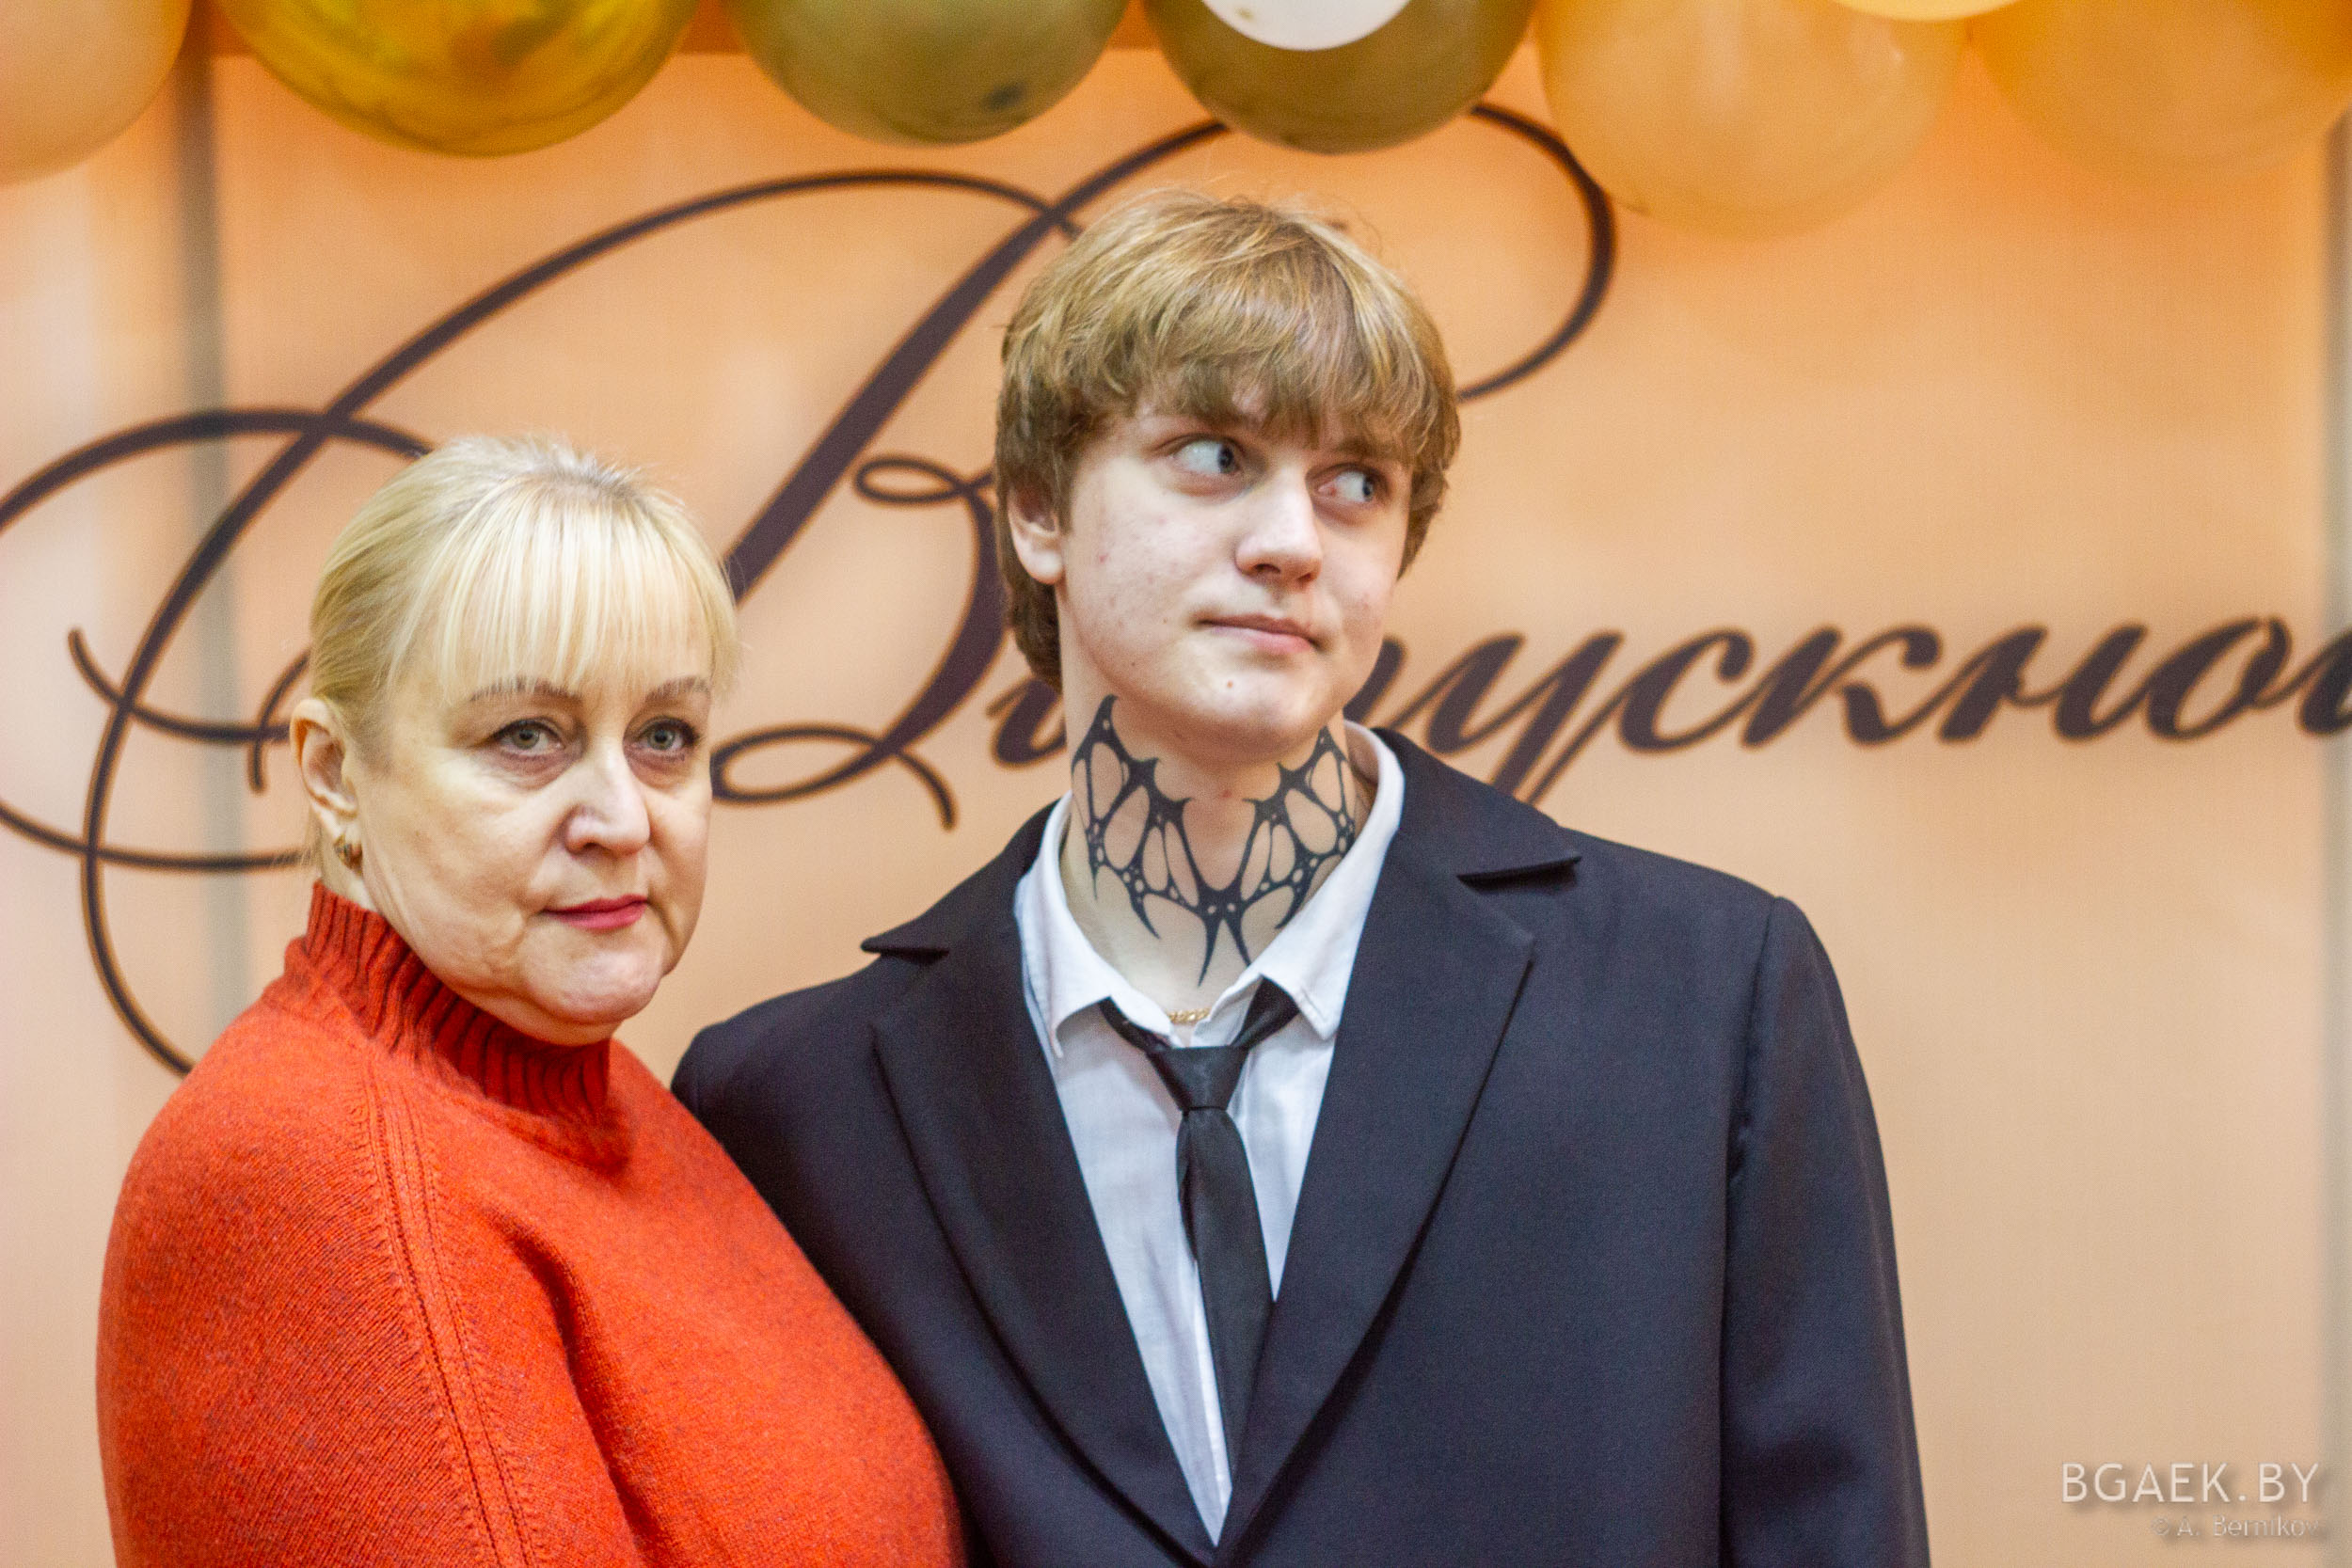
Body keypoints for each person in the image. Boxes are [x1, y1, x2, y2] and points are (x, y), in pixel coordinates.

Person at [675, 192, 1930, 1567]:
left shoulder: (1702, 994)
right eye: (1214, 455)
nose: (1294, 539)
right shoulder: (794, 1104)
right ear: (1036, 508)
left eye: (1356, 482)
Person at [96, 437, 963, 1568]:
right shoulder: (304, 1164)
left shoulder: (613, 1099)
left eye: (664, 737)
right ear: (334, 772)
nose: (623, 817)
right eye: (526, 737)